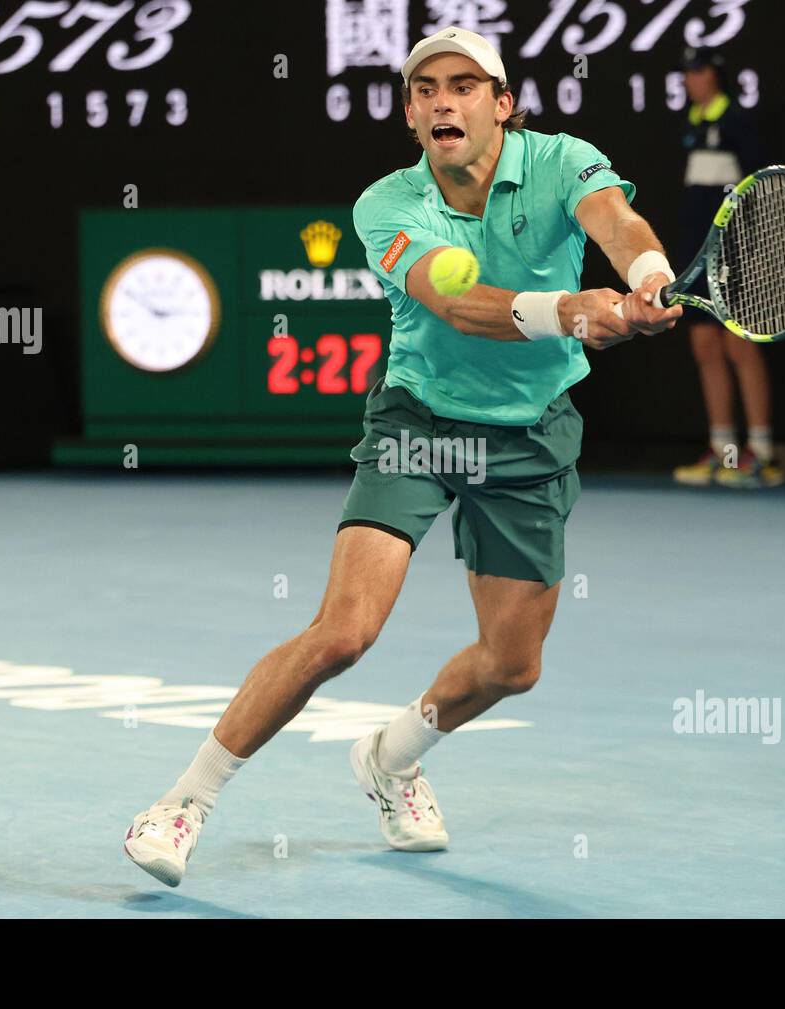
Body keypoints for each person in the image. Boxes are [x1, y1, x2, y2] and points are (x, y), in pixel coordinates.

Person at [122, 26, 682, 886]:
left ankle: (390, 756)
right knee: (343, 633)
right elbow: (458, 299)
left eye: (463, 85)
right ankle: (182, 803)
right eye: (425, 90)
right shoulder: (388, 203)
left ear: (502, 104)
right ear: (412, 113)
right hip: (419, 423)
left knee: (512, 666)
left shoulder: (566, 160)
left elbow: (616, 218)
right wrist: (571, 310)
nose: (442, 101)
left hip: (530, 434)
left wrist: (644, 270)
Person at [671, 46, 783, 488]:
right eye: (686, 73)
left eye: (697, 72)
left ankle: (761, 452)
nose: (690, 80)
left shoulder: (736, 120)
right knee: (705, 346)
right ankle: (724, 451)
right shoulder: (690, 124)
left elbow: (755, 187)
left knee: (740, 346)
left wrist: (747, 241)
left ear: (714, 77)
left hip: (734, 249)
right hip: (695, 250)